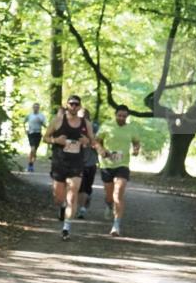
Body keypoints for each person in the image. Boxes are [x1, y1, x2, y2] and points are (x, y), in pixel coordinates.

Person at [43, 95, 94, 240]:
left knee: (73, 194)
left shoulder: (86, 123)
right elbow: (45, 137)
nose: (73, 106)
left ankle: (66, 228)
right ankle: (62, 206)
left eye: (76, 104)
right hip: (59, 162)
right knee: (58, 198)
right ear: (67, 105)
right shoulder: (58, 121)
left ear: (79, 106)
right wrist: (55, 140)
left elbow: (93, 141)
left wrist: (87, 141)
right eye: (71, 104)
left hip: (76, 163)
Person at [94, 104, 141, 237]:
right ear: (115, 115)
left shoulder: (131, 128)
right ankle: (109, 205)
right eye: (119, 115)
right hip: (107, 164)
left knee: (118, 193)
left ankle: (116, 225)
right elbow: (96, 141)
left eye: (124, 116)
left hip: (123, 164)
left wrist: (136, 149)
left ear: (127, 117)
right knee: (109, 196)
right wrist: (101, 149)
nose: (121, 118)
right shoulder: (107, 126)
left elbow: (136, 142)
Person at [77, 109, 100, 219]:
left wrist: (90, 141)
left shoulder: (95, 128)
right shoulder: (73, 127)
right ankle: (81, 209)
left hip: (91, 161)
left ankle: (86, 201)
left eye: (85, 116)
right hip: (78, 162)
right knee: (80, 186)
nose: (83, 119)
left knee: (87, 186)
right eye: (81, 116)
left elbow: (100, 143)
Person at [25, 102, 48, 172]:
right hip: (31, 133)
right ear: (32, 108)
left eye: (37, 107)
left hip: (38, 133)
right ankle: (30, 164)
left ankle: (31, 164)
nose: (36, 108)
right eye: (34, 107)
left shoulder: (41, 116)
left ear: (39, 108)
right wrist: (25, 130)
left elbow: (45, 125)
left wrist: (41, 122)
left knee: (35, 150)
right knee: (33, 149)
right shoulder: (29, 115)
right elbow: (24, 122)